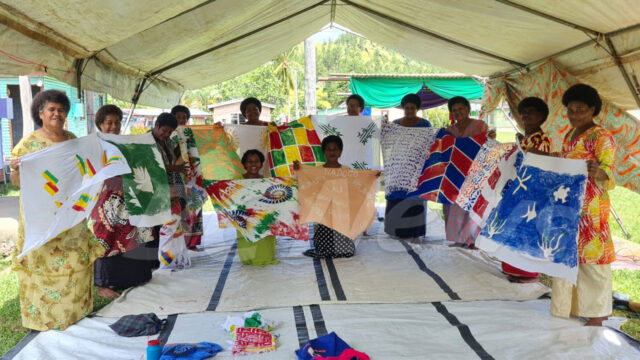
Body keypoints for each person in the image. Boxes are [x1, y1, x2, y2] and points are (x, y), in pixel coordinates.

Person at [9, 90, 105, 331]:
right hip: (41, 217)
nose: (57, 113)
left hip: (71, 215)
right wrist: (17, 171)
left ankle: (76, 314)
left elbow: (83, 170)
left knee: (74, 262)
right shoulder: (29, 144)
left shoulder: (73, 139)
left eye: (61, 110)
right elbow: (18, 184)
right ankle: (44, 319)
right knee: (43, 264)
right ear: (40, 113)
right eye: (51, 109)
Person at [551, 84, 616, 327]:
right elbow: (566, 159)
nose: (575, 115)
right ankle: (570, 305)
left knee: (592, 259)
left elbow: (610, 170)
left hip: (591, 207)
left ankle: (598, 313)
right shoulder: (570, 135)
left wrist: (600, 171)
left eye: (580, 110)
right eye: (570, 110)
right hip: (568, 204)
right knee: (568, 254)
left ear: (592, 109)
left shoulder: (602, 136)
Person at [91, 105, 156, 299]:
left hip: (129, 198)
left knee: (133, 235)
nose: (113, 126)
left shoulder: (127, 144)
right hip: (104, 200)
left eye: (117, 122)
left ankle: (135, 277)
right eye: (108, 122)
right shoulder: (94, 145)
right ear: (100, 124)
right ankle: (104, 284)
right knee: (106, 239)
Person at [501, 97, 552, 283]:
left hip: (532, 191)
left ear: (540, 117)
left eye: (531, 112)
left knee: (527, 231)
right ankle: (512, 268)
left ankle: (527, 273)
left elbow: (542, 163)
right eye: (523, 112)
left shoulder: (542, 139)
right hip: (518, 188)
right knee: (514, 229)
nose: (525, 115)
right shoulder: (525, 138)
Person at [443, 96, 493, 249]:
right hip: (455, 174)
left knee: (473, 204)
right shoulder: (449, 131)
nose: (458, 112)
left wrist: (491, 138)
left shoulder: (480, 126)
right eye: (455, 110)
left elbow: (488, 146)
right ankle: (459, 239)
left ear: (468, 109)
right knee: (454, 205)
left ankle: (474, 240)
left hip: (475, 173)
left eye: (461, 109)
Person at [297, 136, 357, 258]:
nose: (332, 152)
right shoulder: (317, 171)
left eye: (335, 149)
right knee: (325, 251)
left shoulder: (347, 170)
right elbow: (305, 185)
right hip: (323, 218)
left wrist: (372, 176)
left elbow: (355, 189)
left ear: (340, 152)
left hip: (342, 217)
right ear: (324, 152)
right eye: (328, 149)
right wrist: (299, 171)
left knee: (347, 251)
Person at [384, 94, 431, 242]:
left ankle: (417, 233)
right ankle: (398, 231)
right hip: (398, 168)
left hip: (417, 167)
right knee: (397, 198)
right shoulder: (395, 124)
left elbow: (430, 143)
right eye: (407, 108)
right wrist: (384, 125)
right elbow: (386, 140)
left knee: (415, 199)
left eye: (412, 108)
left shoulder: (425, 125)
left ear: (417, 109)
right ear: (403, 108)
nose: (409, 110)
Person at [152, 113, 191, 268]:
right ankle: (160, 261)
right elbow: (152, 166)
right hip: (156, 189)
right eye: (164, 131)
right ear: (156, 125)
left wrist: (183, 147)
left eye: (170, 132)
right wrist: (175, 168)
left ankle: (170, 258)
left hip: (172, 187)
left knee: (173, 221)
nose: (167, 135)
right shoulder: (146, 142)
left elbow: (170, 158)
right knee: (161, 225)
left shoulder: (166, 141)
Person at [235, 149, 279, 266]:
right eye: (249, 161)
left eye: (256, 161)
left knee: (265, 252)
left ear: (261, 163)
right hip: (245, 223)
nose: (253, 164)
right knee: (247, 252)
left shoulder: (267, 182)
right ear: (244, 164)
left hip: (263, 222)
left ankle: (265, 255)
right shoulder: (236, 182)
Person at [171, 105, 205, 250]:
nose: (181, 120)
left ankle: (192, 242)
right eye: (178, 117)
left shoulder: (191, 133)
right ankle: (179, 243)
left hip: (192, 178)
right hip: (175, 178)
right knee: (180, 209)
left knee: (194, 205)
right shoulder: (168, 135)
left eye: (184, 118)